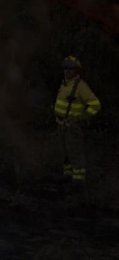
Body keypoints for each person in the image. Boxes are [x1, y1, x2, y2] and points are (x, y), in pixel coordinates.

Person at [52, 55, 101, 183]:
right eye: (66, 68)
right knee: (65, 153)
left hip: (72, 126)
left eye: (71, 69)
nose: (67, 71)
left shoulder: (80, 86)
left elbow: (95, 105)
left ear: (76, 71)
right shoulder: (64, 84)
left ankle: (78, 181)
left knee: (75, 153)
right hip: (61, 124)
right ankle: (67, 176)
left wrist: (81, 117)